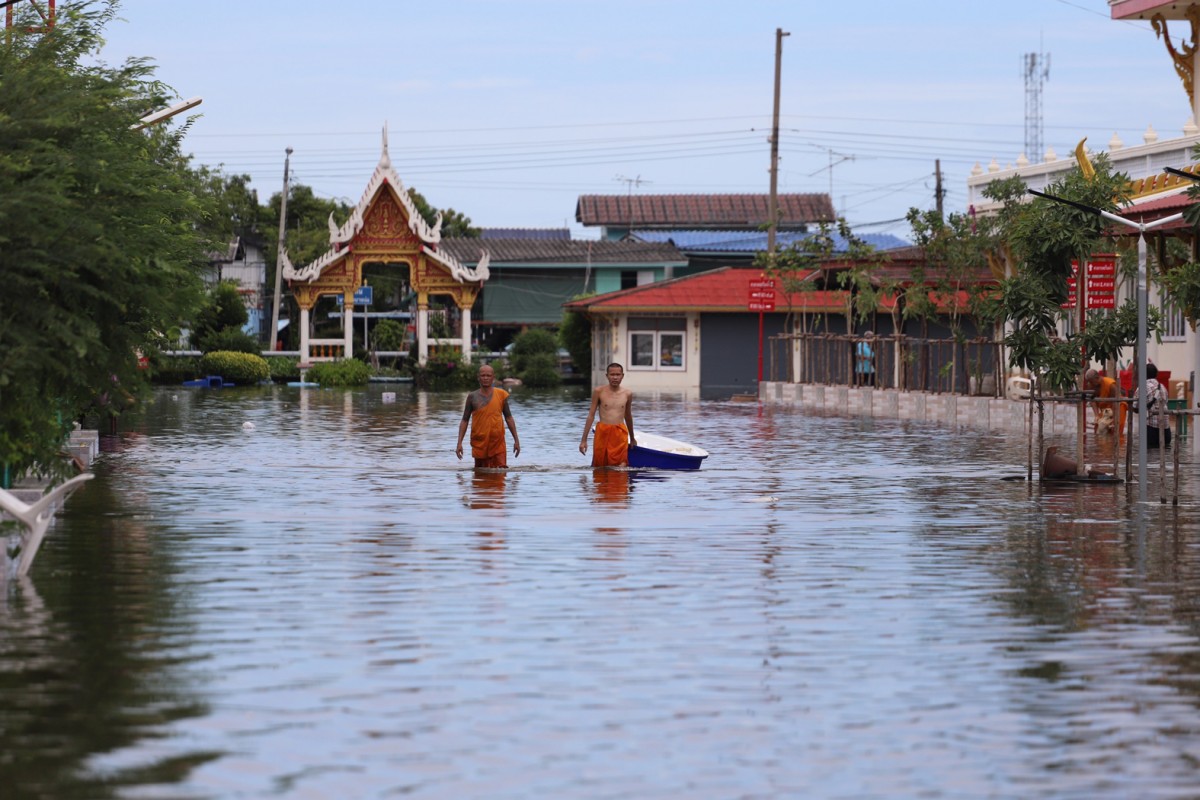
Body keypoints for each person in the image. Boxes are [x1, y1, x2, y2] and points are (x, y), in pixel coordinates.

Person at [456, 364, 520, 468]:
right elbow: (464, 420)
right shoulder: (472, 397)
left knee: (500, 474)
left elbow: (509, 418)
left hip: (498, 442)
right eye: (483, 375)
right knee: (480, 476)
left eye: (488, 375)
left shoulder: (501, 395)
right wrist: (459, 443)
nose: (485, 378)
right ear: (478, 377)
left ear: (493, 378)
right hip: (480, 442)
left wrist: (516, 440)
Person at [579, 362, 636, 466]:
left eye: (618, 375)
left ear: (622, 376)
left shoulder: (627, 394)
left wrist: (632, 438)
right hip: (603, 432)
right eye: (612, 374)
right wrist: (584, 440)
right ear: (607, 376)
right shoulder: (599, 391)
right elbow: (591, 415)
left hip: (620, 432)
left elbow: (628, 416)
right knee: (600, 465)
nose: (615, 377)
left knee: (622, 465)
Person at [1132, 362, 1172, 449]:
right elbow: (1166, 403)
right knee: (1162, 458)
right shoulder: (1162, 387)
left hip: (1151, 429)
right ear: (1156, 374)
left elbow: (1135, 408)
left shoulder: (1142, 387)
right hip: (1166, 429)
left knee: (1149, 458)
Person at [1083, 367, 1125, 437]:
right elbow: (1092, 400)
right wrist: (1096, 416)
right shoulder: (1091, 385)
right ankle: (1101, 447)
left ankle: (1118, 446)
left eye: (1091, 381)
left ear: (1097, 377)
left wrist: (1113, 418)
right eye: (1089, 382)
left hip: (1118, 407)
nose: (1090, 383)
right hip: (1105, 410)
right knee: (1098, 427)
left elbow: (1117, 401)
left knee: (1115, 429)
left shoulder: (1110, 384)